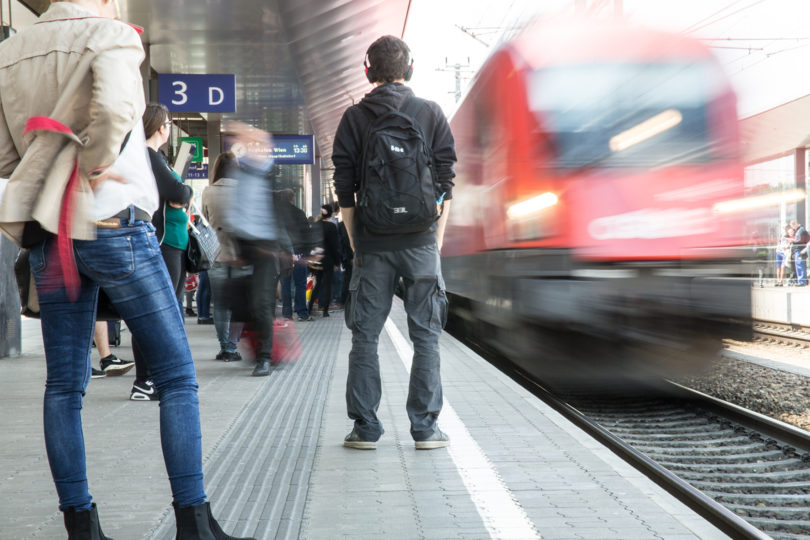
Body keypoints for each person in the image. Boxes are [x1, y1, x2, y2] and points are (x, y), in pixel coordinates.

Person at [0, 2, 253, 538]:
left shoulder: (9, 53)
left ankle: (82, 527)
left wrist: (53, 166)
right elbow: (116, 112)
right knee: (178, 375)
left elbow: (5, 157)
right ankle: (194, 523)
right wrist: (88, 168)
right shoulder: (109, 33)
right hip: (116, 223)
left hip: (51, 233)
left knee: (64, 387)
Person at [332, 35, 457, 450]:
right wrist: (434, 240)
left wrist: (355, 240)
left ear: (368, 72)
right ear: (410, 69)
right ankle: (425, 429)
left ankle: (365, 428)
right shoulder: (431, 112)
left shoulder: (354, 117)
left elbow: (344, 187)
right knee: (426, 335)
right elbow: (445, 182)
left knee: (365, 336)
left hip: (372, 242)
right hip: (421, 240)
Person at [202, 151, 245, 362]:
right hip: (241, 257)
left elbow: (205, 222)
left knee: (219, 305)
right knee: (239, 304)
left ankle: (224, 348)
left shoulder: (208, 191)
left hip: (216, 256)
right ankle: (232, 346)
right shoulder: (243, 190)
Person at [277, 189, 315, 321]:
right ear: (292, 198)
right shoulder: (299, 213)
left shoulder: (276, 215)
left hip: (282, 255)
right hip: (299, 253)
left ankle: (287, 314)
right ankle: (302, 312)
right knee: (300, 283)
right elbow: (307, 235)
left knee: (285, 283)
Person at [307, 204, 341, 318]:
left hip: (317, 258)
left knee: (317, 284)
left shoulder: (316, 225)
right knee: (327, 284)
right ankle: (325, 310)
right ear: (331, 213)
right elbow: (335, 246)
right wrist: (337, 262)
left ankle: (310, 306)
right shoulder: (331, 226)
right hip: (328, 259)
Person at [790, 219, 808, 286]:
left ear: (795, 224)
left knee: (800, 265)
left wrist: (791, 240)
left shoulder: (800, 230)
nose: (792, 228)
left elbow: (799, 240)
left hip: (800, 249)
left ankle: (802, 281)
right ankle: (801, 281)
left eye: (792, 226)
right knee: (799, 265)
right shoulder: (799, 230)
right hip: (799, 249)